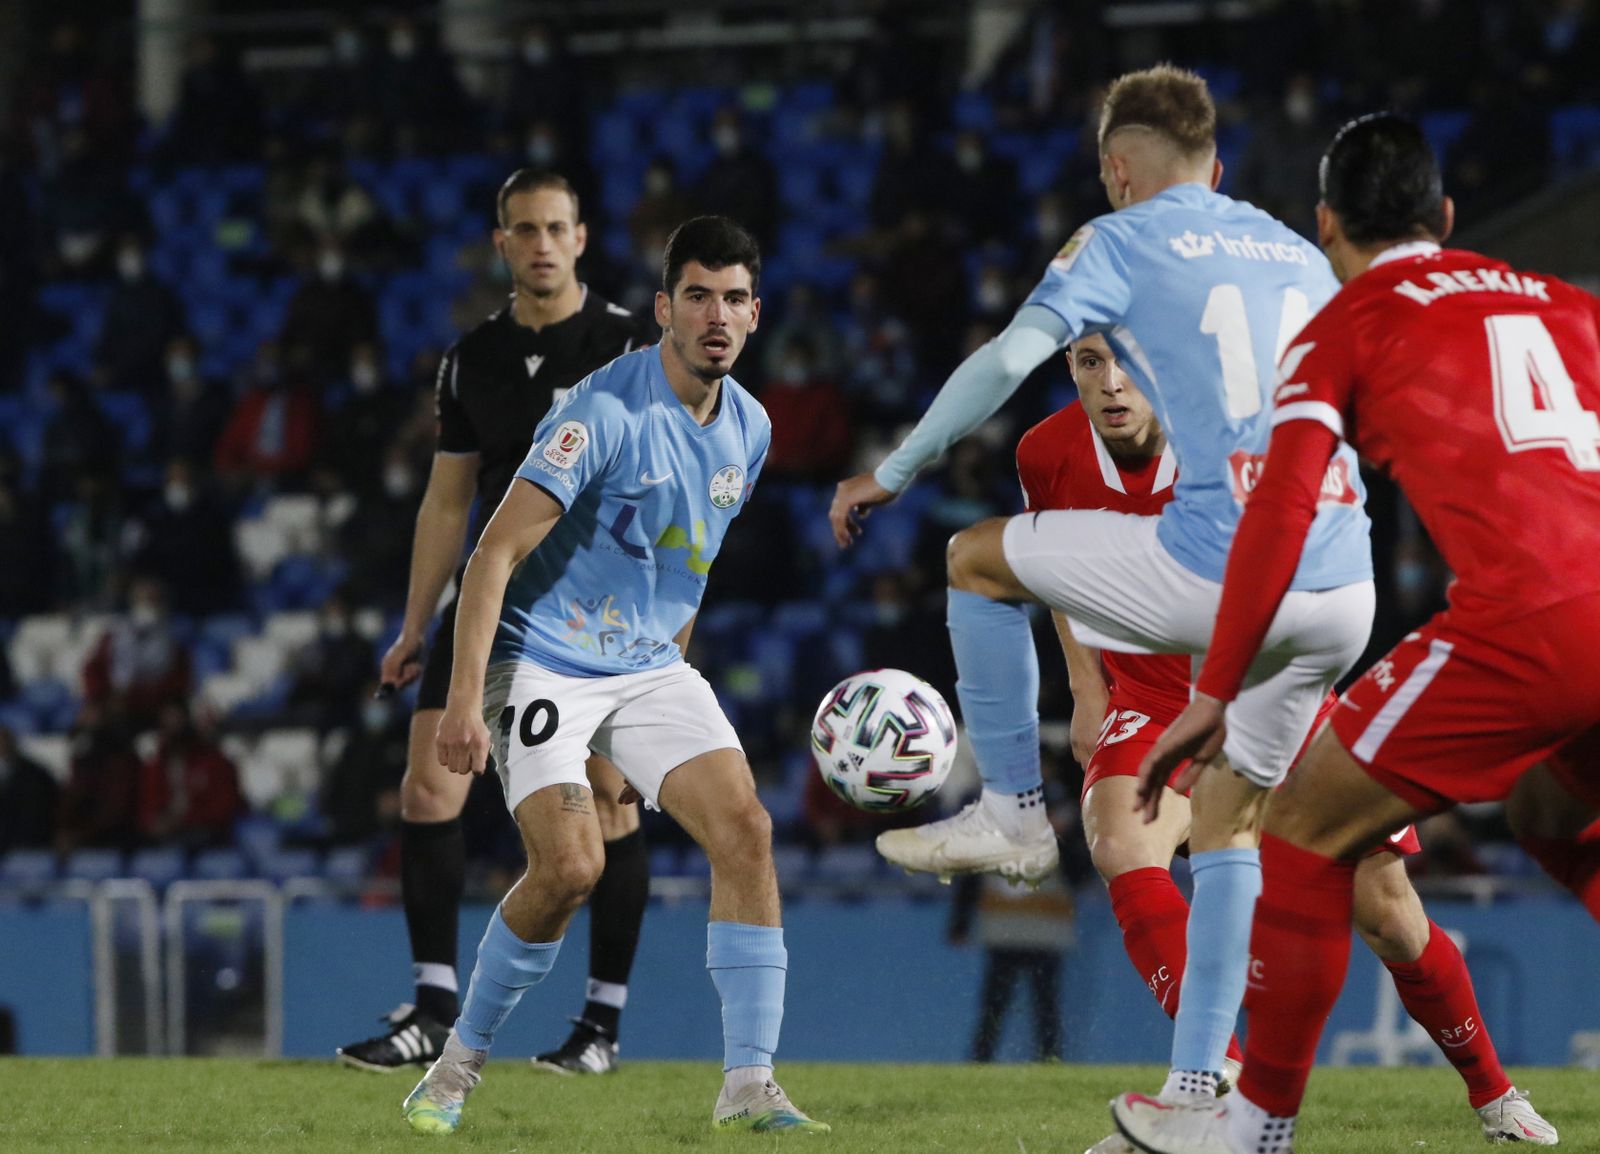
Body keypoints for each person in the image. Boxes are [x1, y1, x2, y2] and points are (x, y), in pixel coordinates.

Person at [832, 65, 1374, 1110]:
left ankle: (1013, 811)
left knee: (972, 558)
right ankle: (1200, 1090)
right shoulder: (1298, 252)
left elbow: (1002, 362)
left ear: (1116, 172)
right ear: (1216, 165)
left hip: (1221, 569)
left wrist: (891, 470)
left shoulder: (1120, 237)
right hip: (1337, 588)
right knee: (1223, 827)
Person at [1107, 112, 1598, 1154]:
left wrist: (1215, 687)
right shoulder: (1561, 300)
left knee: (1296, 819)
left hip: (1530, 622)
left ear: (1325, 225)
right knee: (1556, 809)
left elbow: (1280, 510)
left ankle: (1256, 1123)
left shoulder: (1342, 322)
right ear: (1447, 216)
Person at [1037, 336, 1554, 1152]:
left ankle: (1494, 1094)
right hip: (1151, 698)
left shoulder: (1236, 441)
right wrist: (1086, 687)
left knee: (1391, 919)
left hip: (1275, 691)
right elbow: (1054, 566)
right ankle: (1217, 1083)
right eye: (1089, 361)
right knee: (1119, 844)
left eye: (1127, 359)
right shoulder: (1046, 452)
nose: (1110, 383)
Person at [402, 216, 828, 1136]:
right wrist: (467, 701)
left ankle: (749, 1083)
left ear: (757, 314)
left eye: (735, 299)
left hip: (645, 665)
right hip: (544, 658)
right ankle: (456, 1066)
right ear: (666, 307)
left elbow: (688, 567)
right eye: (699, 296)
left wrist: (654, 697)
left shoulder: (749, 428)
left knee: (747, 831)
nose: (717, 315)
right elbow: (492, 555)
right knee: (570, 868)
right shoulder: (602, 412)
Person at [337, 170, 660, 1077]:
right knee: (428, 788)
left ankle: (600, 1026)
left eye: (558, 227)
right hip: (492, 599)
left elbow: (668, 484)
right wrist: (412, 626)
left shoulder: (634, 345)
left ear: (583, 238)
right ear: (502, 243)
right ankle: (434, 1008)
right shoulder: (469, 359)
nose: (543, 243)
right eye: (526, 229)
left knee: (609, 801)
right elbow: (448, 503)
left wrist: (665, 620)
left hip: (600, 608)